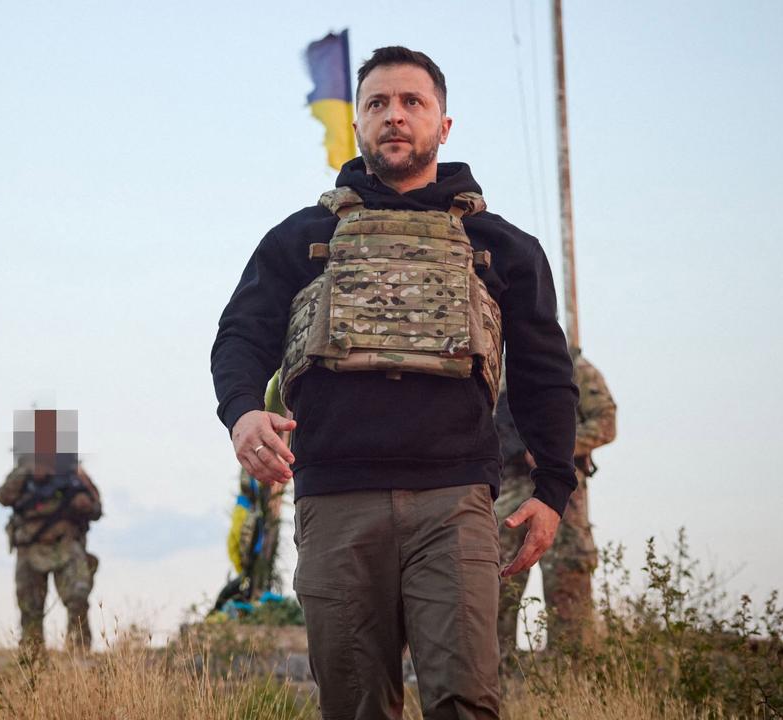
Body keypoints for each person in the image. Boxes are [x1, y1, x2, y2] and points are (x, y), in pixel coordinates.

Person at [210, 46, 578, 719]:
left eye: (413, 102)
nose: (395, 115)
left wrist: (554, 488)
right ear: (358, 126)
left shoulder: (504, 247)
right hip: (336, 501)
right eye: (378, 103)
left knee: (466, 701)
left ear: (444, 124)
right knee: (353, 706)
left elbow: (546, 374)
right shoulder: (302, 238)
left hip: (456, 502)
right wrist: (241, 414)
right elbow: (241, 335)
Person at [496, 351, 616, 654]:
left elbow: (606, 422)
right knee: (495, 587)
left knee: (568, 586)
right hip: (507, 492)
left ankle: (570, 683)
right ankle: (500, 683)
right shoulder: (494, 363)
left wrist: (556, 450)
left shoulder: (572, 365)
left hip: (561, 495)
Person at [0, 408, 102, 655]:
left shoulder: (74, 472)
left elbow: (96, 508)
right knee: (30, 611)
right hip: (30, 547)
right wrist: (29, 473)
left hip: (66, 546)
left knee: (77, 599)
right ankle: (32, 665)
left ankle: (79, 657)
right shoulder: (24, 471)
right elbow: (3, 496)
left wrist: (83, 504)